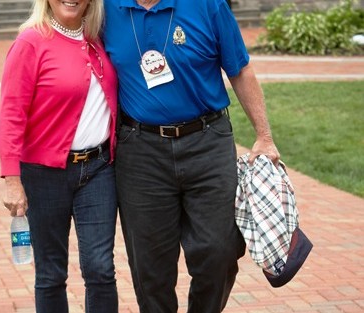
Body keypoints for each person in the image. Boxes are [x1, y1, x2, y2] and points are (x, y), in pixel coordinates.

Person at [102, 0, 280, 312]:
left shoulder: (208, 5)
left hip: (207, 141)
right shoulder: (105, 9)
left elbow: (240, 68)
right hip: (141, 150)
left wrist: (264, 135)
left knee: (220, 250)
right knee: (149, 265)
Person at [0, 0, 119, 312]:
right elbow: (11, 114)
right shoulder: (30, 42)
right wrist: (12, 179)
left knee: (101, 270)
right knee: (51, 274)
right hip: (43, 175)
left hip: (98, 170)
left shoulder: (98, 40)